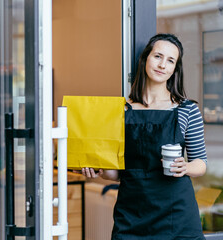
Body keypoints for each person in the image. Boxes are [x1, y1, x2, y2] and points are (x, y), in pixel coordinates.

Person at [78, 33, 207, 239]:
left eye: (170, 60)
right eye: (158, 56)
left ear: (175, 69)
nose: (163, 64)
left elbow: (201, 163)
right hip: (132, 214)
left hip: (177, 215)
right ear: (145, 58)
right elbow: (117, 173)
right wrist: (98, 169)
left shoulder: (187, 110)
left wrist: (186, 167)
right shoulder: (120, 111)